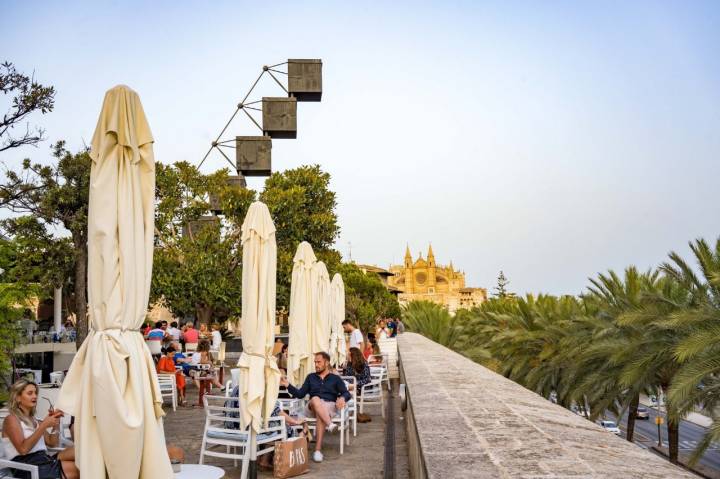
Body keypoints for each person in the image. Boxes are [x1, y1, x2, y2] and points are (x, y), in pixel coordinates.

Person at [280, 352, 351, 463]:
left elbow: (346, 393)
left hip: (330, 406)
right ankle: (329, 425)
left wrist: (342, 398)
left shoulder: (335, 379)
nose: (316, 364)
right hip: (311, 407)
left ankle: (318, 450)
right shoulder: (310, 377)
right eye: (315, 362)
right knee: (315, 399)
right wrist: (288, 385)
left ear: (326, 363)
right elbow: (300, 394)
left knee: (320, 412)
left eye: (319, 362)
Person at [1, 379, 78, 479]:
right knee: (81, 469)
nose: (35, 396)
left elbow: (52, 442)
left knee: (81, 451)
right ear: (18, 398)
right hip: (27, 466)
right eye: (30, 393)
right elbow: (23, 449)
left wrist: (56, 421)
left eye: (35, 393)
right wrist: (44, 425)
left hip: (43, 460)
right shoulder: (11, 419)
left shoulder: (34, 420)